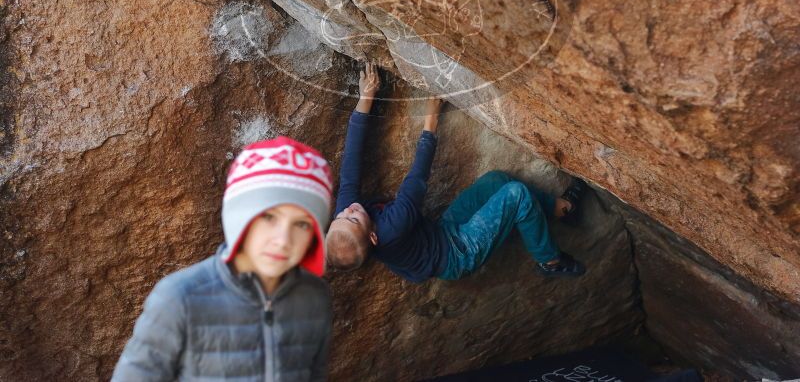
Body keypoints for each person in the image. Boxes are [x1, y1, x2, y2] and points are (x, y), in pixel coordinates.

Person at [326, 63, 587, 283]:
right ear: (372, 237)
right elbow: (416, 181)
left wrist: (366, 98)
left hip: (442, 232)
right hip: (457, 254)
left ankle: (559, 209)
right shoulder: (390, 228)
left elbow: (351, 163)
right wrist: (431, 121)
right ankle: (550, 260)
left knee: (497, 181)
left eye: (341, 215)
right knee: (516, 195)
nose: (348, 209)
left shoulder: (348, 211)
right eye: (353, 218)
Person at [112, 137, 334, 381]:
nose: (283, 239)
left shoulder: (315, 298)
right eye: (269, 217)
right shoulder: (179, 298)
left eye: (301, 224)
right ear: (240, 215)